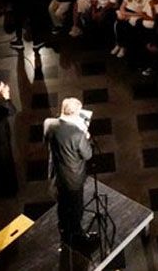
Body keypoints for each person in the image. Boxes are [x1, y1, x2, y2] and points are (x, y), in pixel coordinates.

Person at [43, 98, 97, 248]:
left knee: (62, 204)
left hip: (57, 174)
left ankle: (63, 229)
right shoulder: (77, 134)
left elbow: (47, 141)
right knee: (75, 207)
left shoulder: (48, 123)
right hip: (72, 177)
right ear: (74, 114)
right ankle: (77, 237)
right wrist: (86, 137)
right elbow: (87, 155)